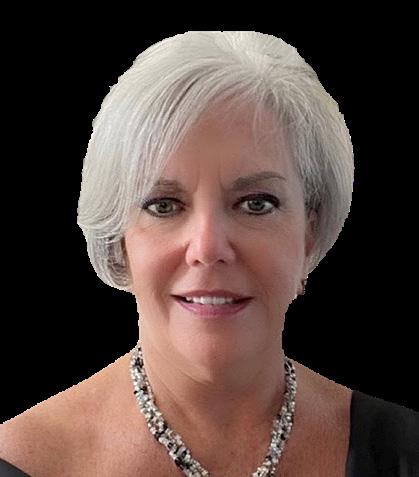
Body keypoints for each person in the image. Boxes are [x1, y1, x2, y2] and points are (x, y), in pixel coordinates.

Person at [1, 31, 418, 477]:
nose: (207, 248)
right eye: (164, 205)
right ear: (120, 239)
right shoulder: (19, 461)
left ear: (309, 234)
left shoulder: (407, 449)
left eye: (256, 203)